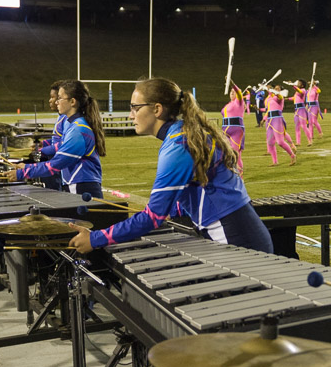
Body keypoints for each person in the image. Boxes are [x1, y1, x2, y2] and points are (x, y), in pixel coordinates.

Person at [69, 77, 271, 254]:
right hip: (240, 230)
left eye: (135, 107)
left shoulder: (179, 144)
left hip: (235, 237)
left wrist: (95, 239)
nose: (131, 115)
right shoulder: (183, 135)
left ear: (157, 109)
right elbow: (192, 192)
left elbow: (153, 217)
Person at [16, 80, 104, 197]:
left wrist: (26, 170)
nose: (56, 102)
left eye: (60, 98)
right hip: (77, 183)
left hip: (82, 186)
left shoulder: (78, 130)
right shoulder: (74, 124)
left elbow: (57, 163)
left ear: (72, 101)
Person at [33, 81, 66, 191]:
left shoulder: (67, 119)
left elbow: (64, 144)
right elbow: (57, 139)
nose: (50, 100)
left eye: (53, 97)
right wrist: (44, 143)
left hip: (60, 163)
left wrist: (43, 150)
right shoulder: (61, 117)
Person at [262, 84, 296, 166]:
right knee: (270, 142)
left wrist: (273, 91)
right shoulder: (271, 98)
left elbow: (280, 96)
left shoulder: (280, 97)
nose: (276, 89)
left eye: (278, 88)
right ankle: (275, 161)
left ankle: (292, 155)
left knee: (280, 142)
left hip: (277, 119)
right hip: (270, 120)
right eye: (275, 88)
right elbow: (268, 110)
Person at [220, 85, 247, 173]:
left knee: (236, 154)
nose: (232, 92)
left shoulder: (239, 102)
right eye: (231, 91)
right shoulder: (228, 104)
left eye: (234, 91)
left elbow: (239, 92)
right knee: (226, 153)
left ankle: (240, 177)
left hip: (236, 130)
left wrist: (232, 84)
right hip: (225, 130)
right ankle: (230, 174)